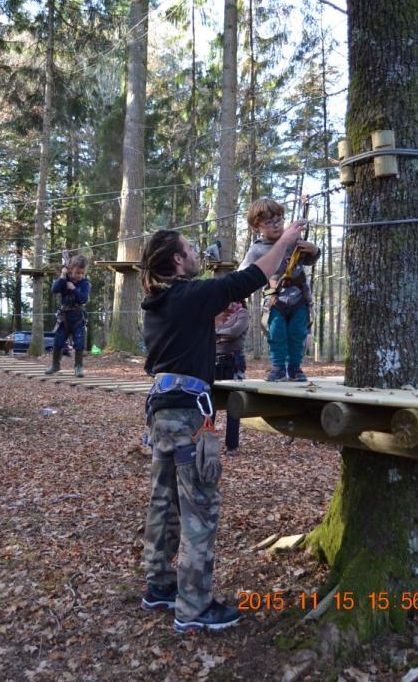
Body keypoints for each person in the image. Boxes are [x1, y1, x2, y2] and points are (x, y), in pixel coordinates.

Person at [140, 222, 304, 633]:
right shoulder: (190, 294)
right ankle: (194, 608)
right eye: (190, 248)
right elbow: (251, 277)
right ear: (178, 260)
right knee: (199, 509)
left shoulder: (160, 303)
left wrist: (207, 326)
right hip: (187, 417)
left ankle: (160, 585)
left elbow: (173, 346)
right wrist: (284, 242)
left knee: (165, 502)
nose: (197, 252)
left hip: (162, 412)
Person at [239, 197, 320, 383]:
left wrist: (314, 250)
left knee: (297, 333)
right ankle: (277, 368)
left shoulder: (294, 241)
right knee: (277, 333)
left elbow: (308, 259)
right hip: (275, 300)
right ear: (256, 227)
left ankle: (294, 368)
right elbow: (243, 273)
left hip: (300, 298)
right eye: (269, 222)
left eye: (279, 220)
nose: (276, 225)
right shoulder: (257, 250)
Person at [45, 254, 90, 378]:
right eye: (77, 273)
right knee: (58, 341)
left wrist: (74, 289)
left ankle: (78, 367)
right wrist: (62, 276)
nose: (79, 276)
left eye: (82, 273)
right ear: (71, 269)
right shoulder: (65, 280)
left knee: (79, 342)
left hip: (78, 317)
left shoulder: (85, 283)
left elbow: (83, 299)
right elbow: (54, 290)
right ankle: (55, 365)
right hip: (64, 317)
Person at [215, 301, 249, 456]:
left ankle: (232, 446)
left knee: (233, 404)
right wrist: (222, 332)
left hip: (234, 361)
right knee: (209, 402)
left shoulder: (242, 314)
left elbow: (235, 332)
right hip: (214, 360)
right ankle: (204, 440)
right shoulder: (218, 314)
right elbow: (207, 331)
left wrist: (218, 333)